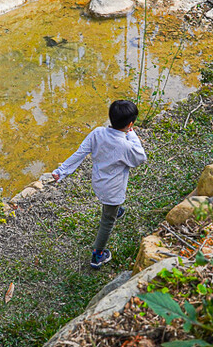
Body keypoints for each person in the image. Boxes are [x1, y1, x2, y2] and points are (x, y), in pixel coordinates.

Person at [52, 100, 147, 268]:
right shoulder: (126, 145)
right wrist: (131, 134)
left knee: (111, 208)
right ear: (130, 124)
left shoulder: (97, 133)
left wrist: (62, 170)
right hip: (113, 191)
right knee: (107, 222)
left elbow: (80, 153)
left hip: (98, 183)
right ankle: (97, 255)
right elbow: (140, 157)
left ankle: (116, 211)